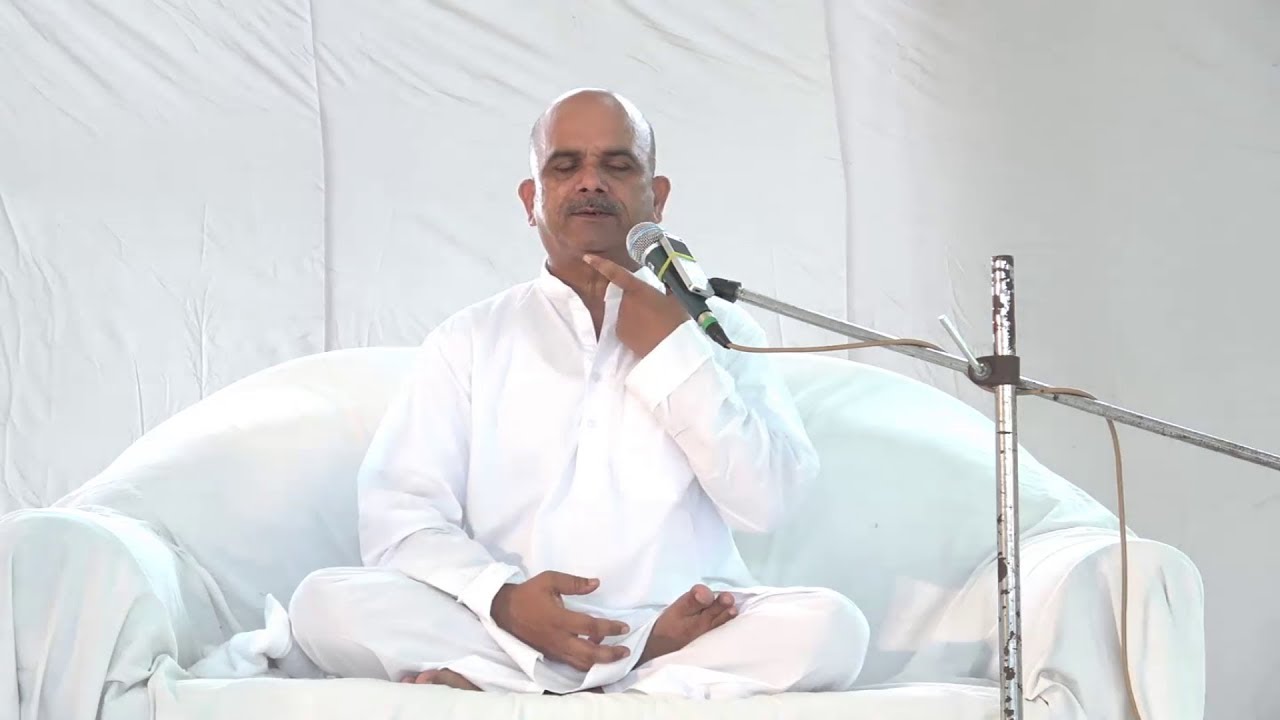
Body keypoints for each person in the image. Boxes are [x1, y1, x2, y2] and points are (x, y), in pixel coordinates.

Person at [287, 88, 870, 698]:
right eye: (565, 166)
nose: (591, 181)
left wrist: (674, 354)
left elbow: (769, 504)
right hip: (511, 623)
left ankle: (521, 684)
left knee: (832, 629)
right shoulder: (470, 338)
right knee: (324, 603)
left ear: (657, 197)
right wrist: (502, 599)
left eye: (617, 165)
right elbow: (400, 516)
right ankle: (630, 676)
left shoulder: (719, 329)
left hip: (683, 624)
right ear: (531, 200)